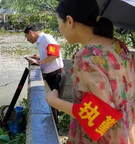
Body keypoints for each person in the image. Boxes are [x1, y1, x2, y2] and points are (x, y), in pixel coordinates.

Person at [46, 0, 135, 143]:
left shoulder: (87, 56)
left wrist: (54, 101)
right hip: (126, 129)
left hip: (104, 137)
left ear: (69, 21)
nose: (60, 30)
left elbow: (98, 115)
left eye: (59, 24)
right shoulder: (119, 45)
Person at [24, 24, 66, 126]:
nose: (27, 39)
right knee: (51, 105)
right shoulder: (41, 41)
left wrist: (40, 62)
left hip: (56, 76)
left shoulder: (46, 38)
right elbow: (48, 54)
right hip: (51, 76)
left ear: (31, 32)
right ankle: (52, 128)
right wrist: (38, 57)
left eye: (26, 36)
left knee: (54, 105)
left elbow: (55, 54)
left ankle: (54, 131)